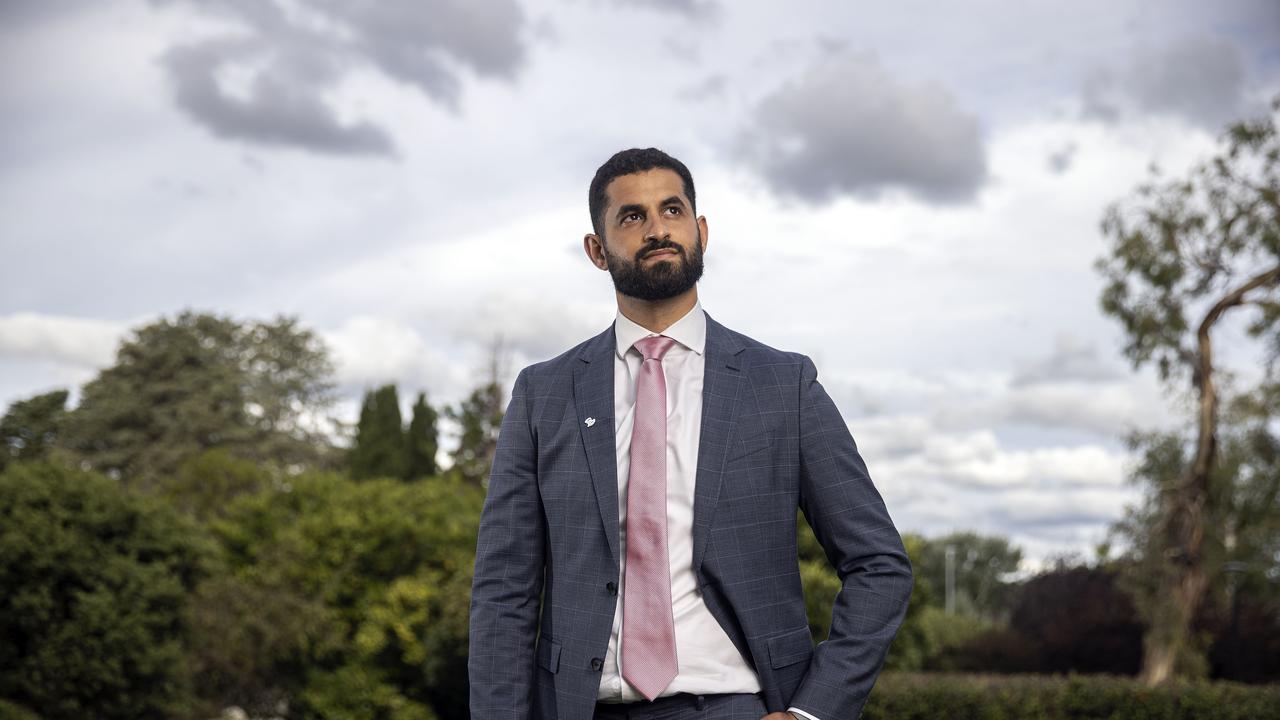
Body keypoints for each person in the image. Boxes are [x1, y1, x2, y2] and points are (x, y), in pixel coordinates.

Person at [469, 147, 913, 720]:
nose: (657, 229)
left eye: (672, 210)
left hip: (736, 705)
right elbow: (504, 592)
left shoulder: (783, 384)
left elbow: (879, 565)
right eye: (632, 216)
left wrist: (813, 712)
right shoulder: (544, 394)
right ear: (596, 251)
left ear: (700, 230)